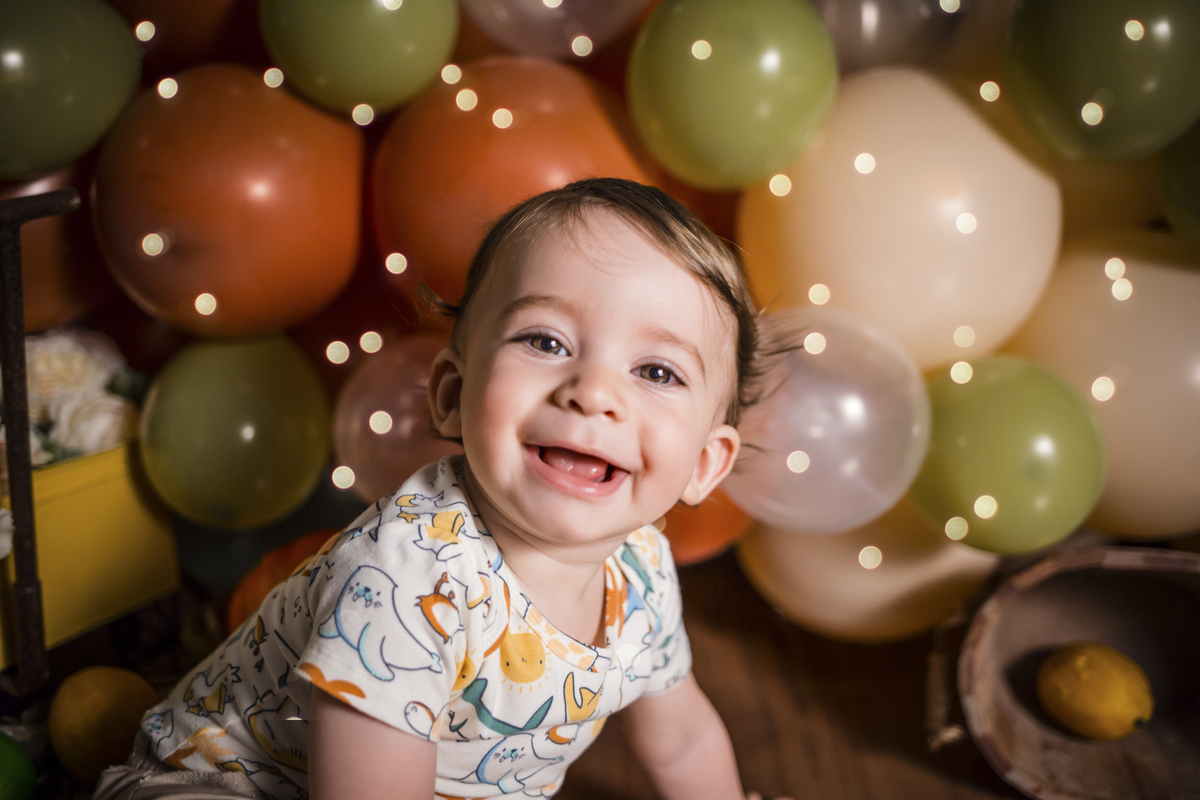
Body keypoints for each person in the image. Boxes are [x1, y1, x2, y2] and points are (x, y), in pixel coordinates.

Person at [94, 178, 793, 800]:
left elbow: (681, 740)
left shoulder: (642, 566)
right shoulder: (409, 576)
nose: (594, 393)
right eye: (546, 342)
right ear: (453, 395)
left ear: (705, 464)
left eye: (658, 372)